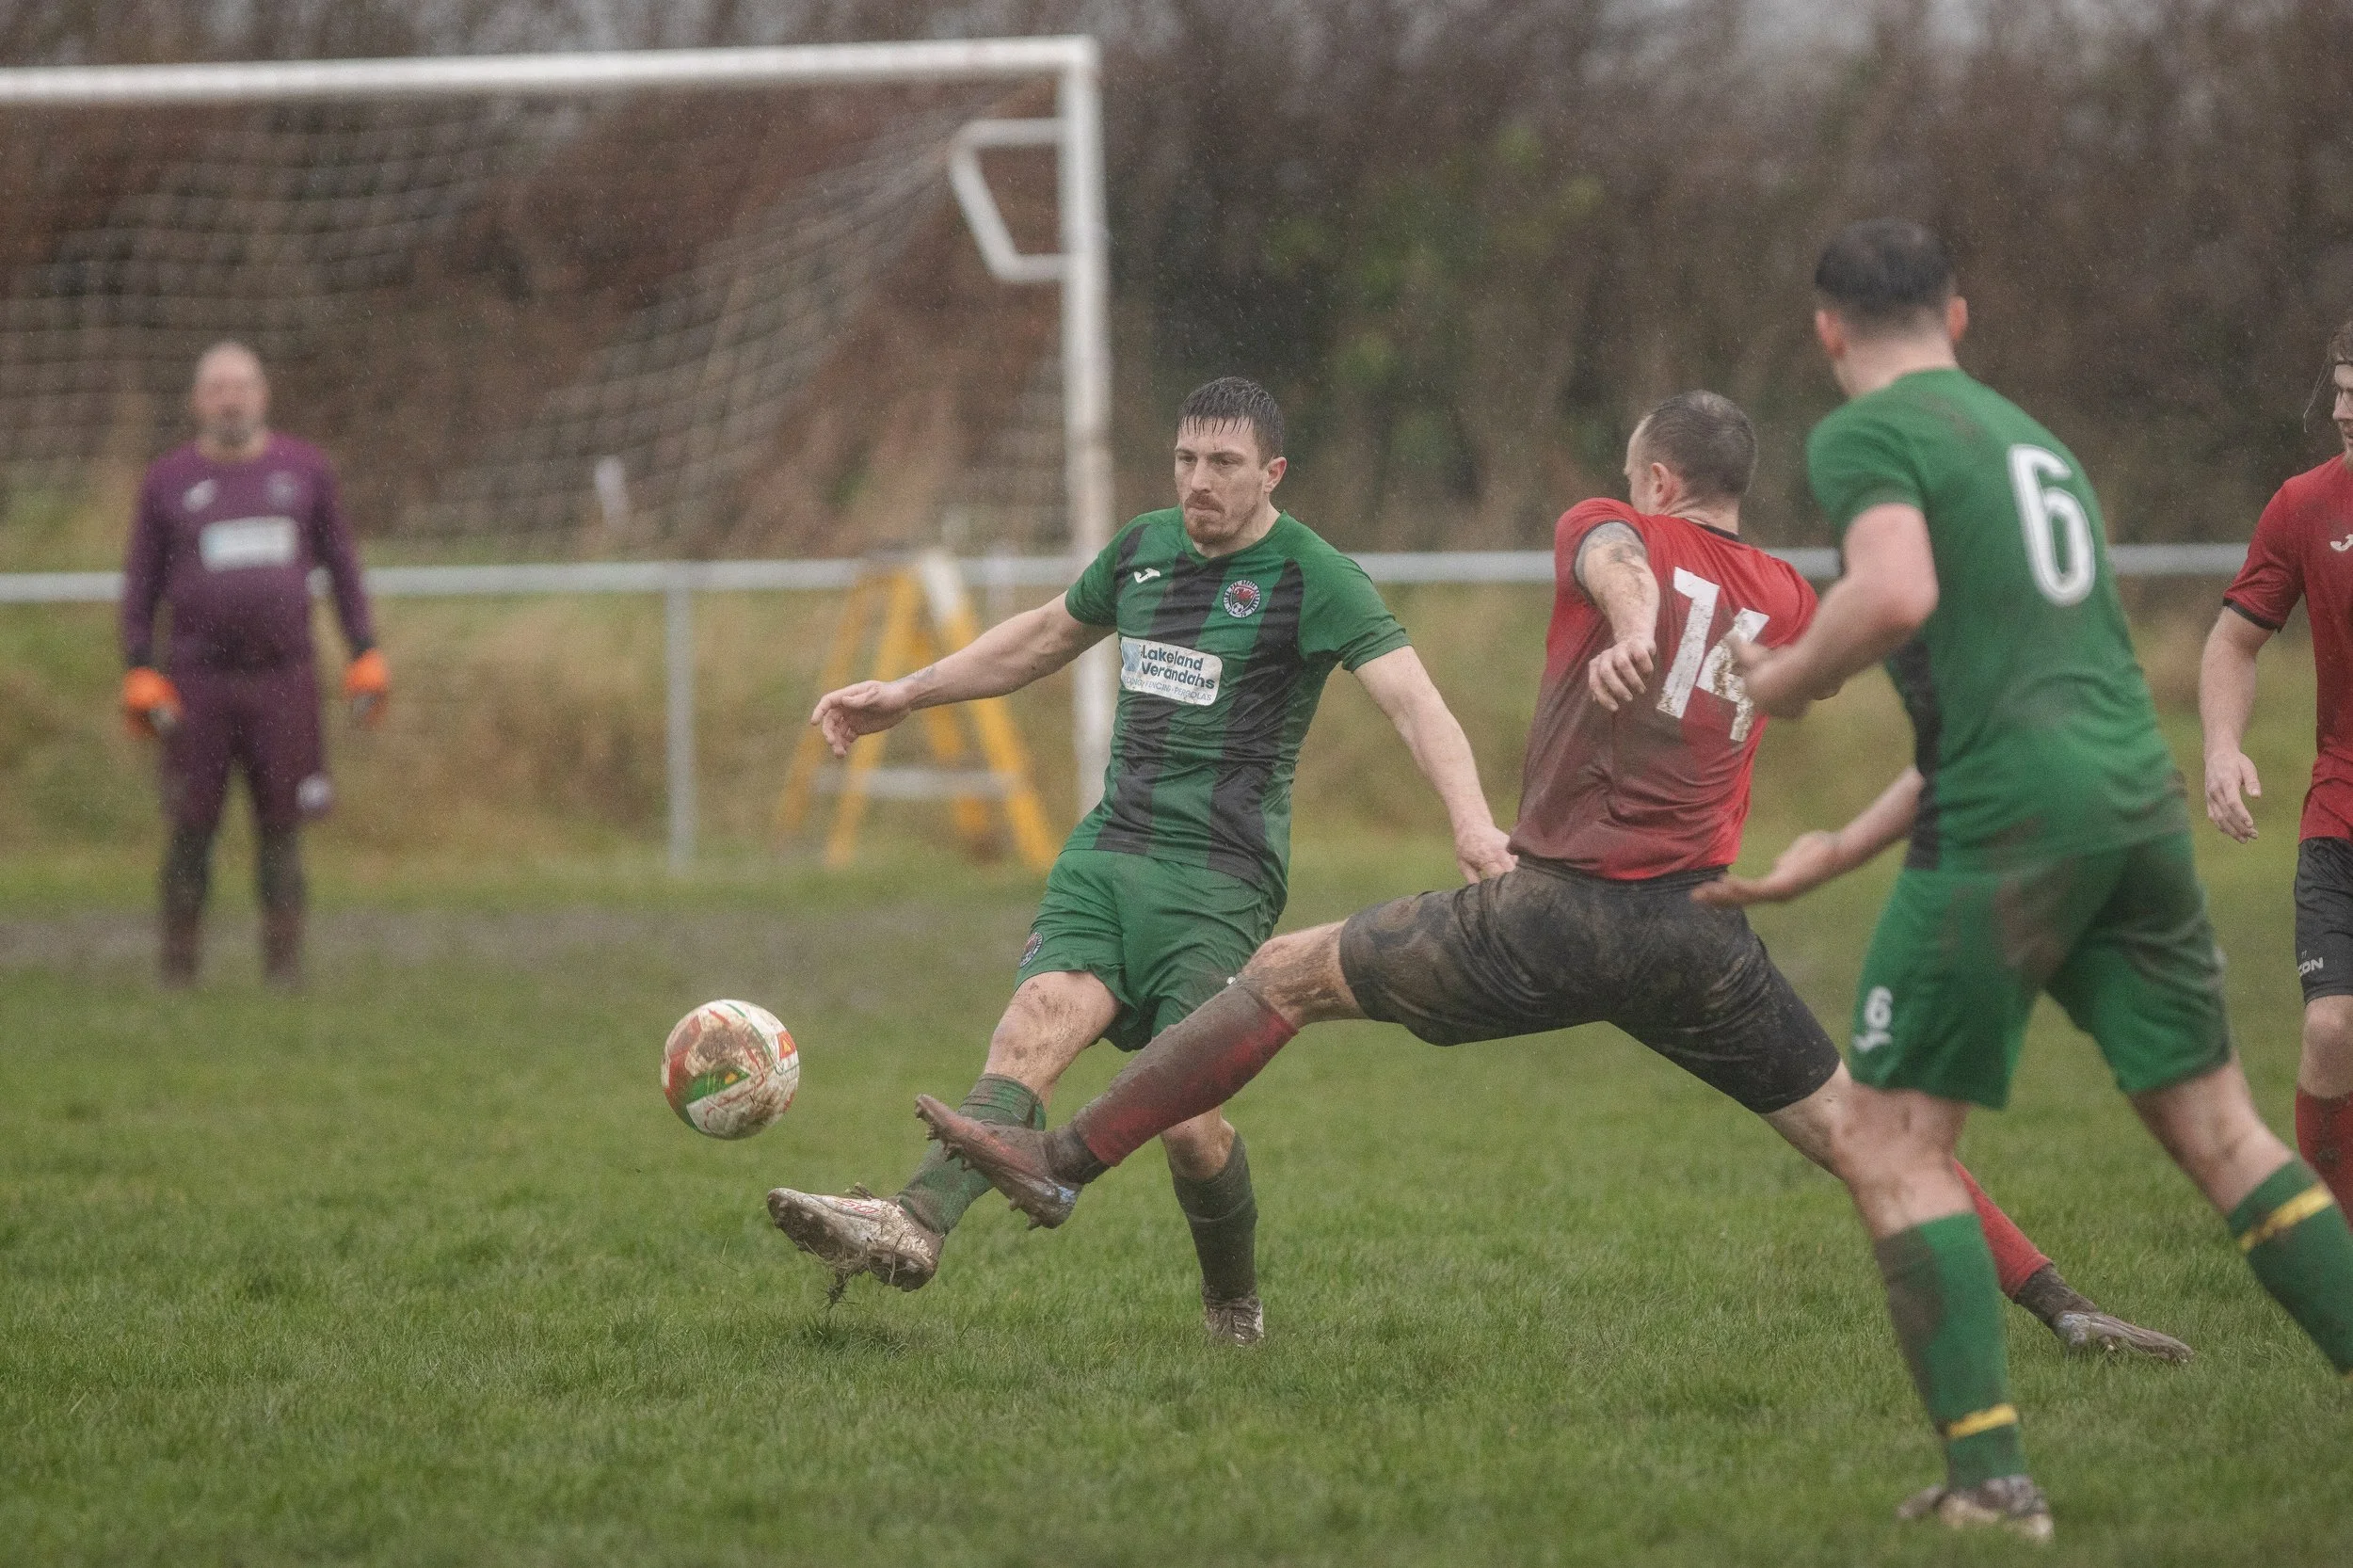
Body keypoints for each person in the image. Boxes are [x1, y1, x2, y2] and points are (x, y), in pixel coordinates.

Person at [914, 390, 2188, 1395]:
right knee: (1869, 1139)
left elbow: (1620, 560)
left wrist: (1630, 619)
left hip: (1554, 912)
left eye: (1640, 480)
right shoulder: (1791, 591)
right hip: (1702, 933)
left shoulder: (1604, 519)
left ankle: (1065, 1157)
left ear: (1661, 478)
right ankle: (2066, 1308)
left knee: (1284, 973)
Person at [1696, 220, 2353, 1537]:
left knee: (1889, 1141)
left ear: (1829, 332)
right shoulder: (2030, 441)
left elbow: (1886, 595)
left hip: (2010, 830)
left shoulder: (1870, 434)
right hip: (2130, 802)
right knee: (2225, 1134)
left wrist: (1782, 679)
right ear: (1962, 312)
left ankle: (1991, 1481)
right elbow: (2025, 696)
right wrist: (1842, 844)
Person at [765, 377, 1517, 1344]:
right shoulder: (1143, 549)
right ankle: (910, 1226)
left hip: (1220, 880)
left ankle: (1231, 1303)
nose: (1197, 481)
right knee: (1033, 1023)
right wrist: (908, 693)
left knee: (1188, 1125)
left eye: (1224, 464)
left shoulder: (1313, 576)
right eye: (1185, 460)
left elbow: (1414, 702)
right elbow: (1041, 637)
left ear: (1272, 472)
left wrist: (1472, 824)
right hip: (1108, 852)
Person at [120, 342, 388, 988]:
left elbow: (342, 568)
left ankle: (284, 972)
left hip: (284, 680)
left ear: (263, 395)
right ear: (197, 401)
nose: (230, 398)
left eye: (241, 386)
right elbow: (141, 583)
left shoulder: (306, 471)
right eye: (217, 388)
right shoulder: (167, 482)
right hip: (196, 683)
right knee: (191, 828)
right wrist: (137, 665)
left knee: (282, 828)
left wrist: (364, 649)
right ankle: (177, 973)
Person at [2200, 317, 2353, 1212]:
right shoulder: (2304, 505)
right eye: (2339, 390)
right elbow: (2231, 646)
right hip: (2338, 813)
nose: (2340, 411)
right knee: (2331, 1032)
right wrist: (2223, 747)